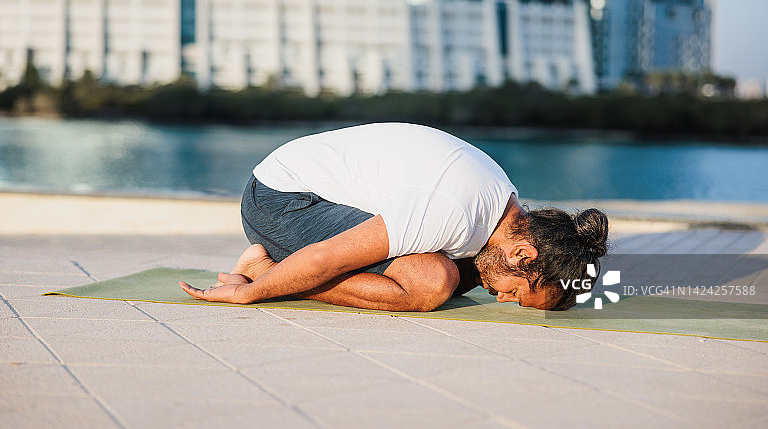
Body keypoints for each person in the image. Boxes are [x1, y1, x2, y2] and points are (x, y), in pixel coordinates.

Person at [180, 122, 608, 311]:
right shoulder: (453, 210)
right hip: (280, 200)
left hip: (309, 193)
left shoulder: (499, 208)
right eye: (517, 293)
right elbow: (324, 259)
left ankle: (269, 271)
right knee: (432, 283)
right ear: (523, 253)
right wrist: (251, 295)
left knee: (467, 276)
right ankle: (263, 271)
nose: (502, 299)